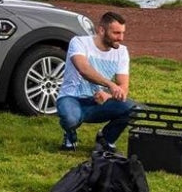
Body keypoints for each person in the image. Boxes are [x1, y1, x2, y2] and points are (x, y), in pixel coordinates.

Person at [55, 12, 135, 152]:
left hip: (98, 101)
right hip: (71, 97)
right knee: (71, 118)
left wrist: (108, 95)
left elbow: (123, 88)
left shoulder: (122, 52)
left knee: (133, 109)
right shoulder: (79, 42)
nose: (121, 38)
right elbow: (84, 69)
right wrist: (110, 85)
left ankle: (105, 139)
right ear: (101, 30)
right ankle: (70, 135)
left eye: (123, 33)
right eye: (116, 33)